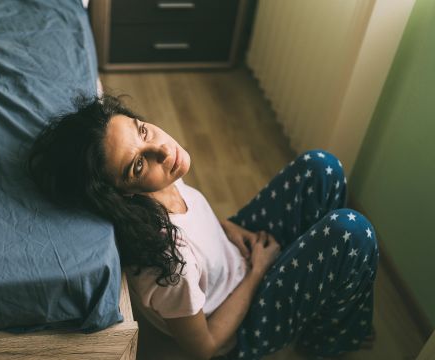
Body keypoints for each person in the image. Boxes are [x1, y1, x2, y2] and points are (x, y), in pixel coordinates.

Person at [28, 94, 379, 360]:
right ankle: (329, 340)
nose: (163, 151)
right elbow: (205, 348)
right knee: (351, 232)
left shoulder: (162, 183)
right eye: (137, 165)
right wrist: (259, 271)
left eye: (144, 131)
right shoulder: (168, 263)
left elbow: (193, 222)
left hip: (236, 256)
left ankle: (320, 299)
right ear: (122, 194)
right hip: (240, 322)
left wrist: (226, 228)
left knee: (321, 167)